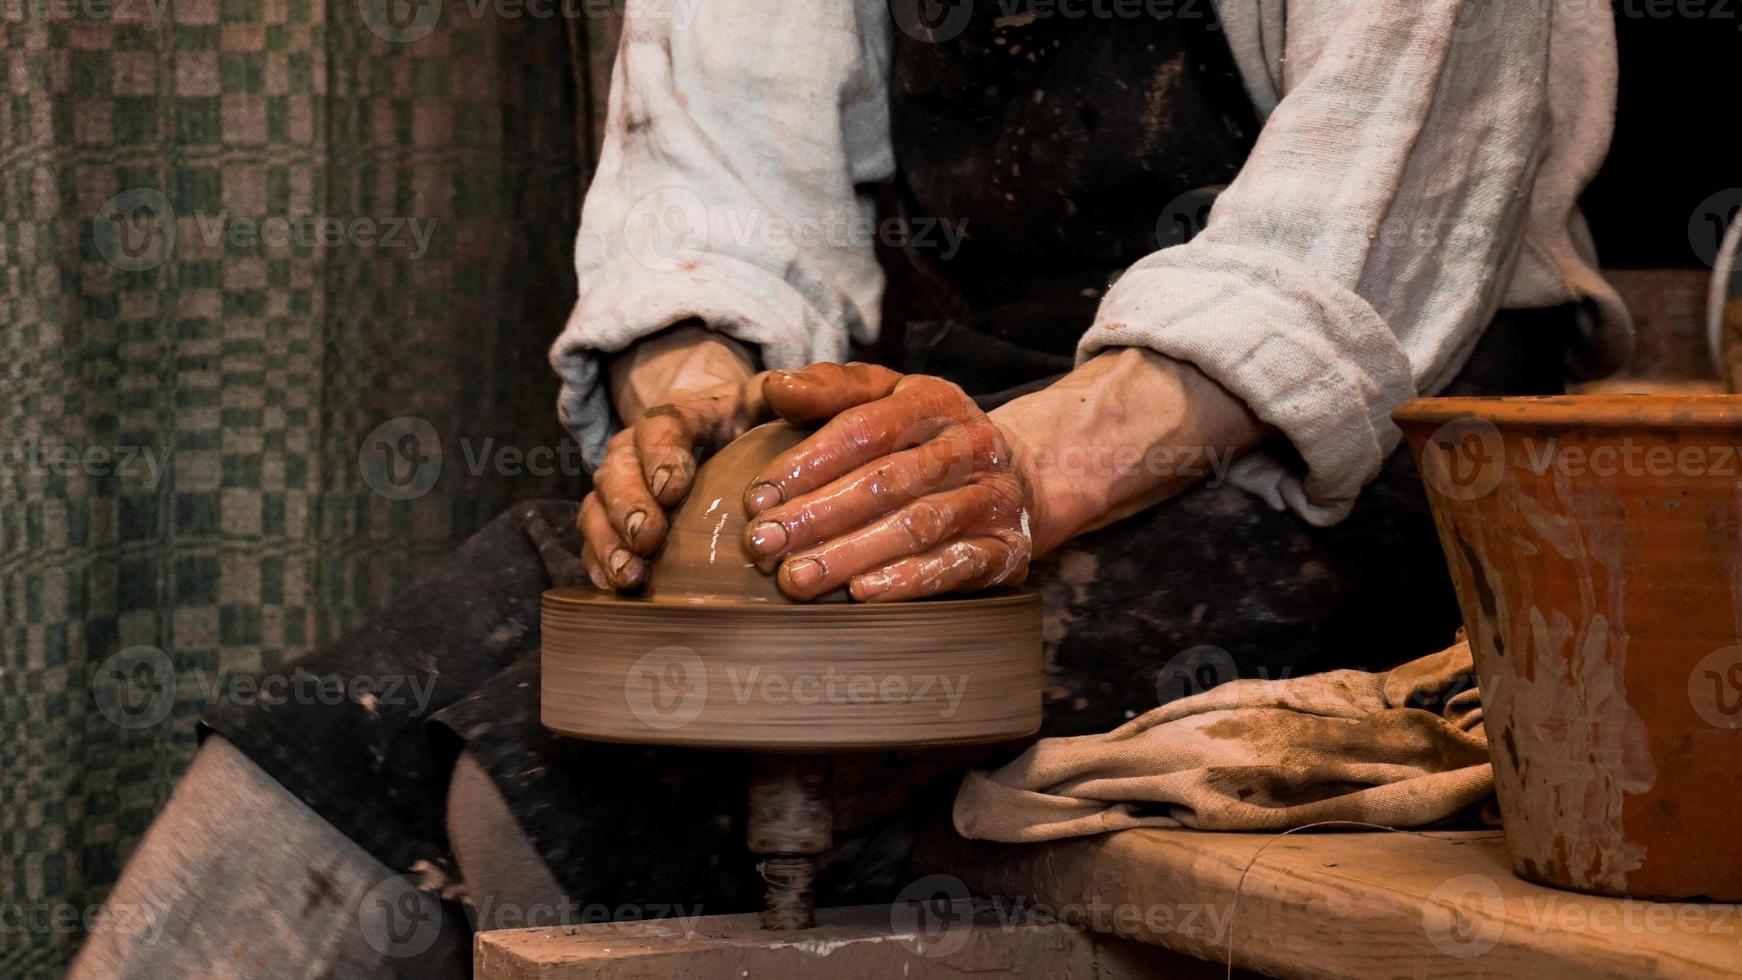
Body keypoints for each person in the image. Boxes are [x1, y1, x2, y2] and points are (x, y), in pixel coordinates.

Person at [73, 0, 1630, 975]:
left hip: (1355, 432)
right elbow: (714, 189)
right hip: (951, 404)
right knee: (335, 744)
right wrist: (698, 436)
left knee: (566, 796)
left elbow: (1374, 219)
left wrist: (1011, 476)